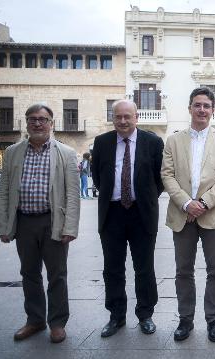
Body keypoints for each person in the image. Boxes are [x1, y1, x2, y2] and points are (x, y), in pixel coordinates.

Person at [0, 103, 80, 343]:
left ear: (51, 124)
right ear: (26, 122)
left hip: (52, 221)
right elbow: (4, 191)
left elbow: (72, 195)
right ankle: (34, 320)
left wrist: (70, 228)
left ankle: (57, 323)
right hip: (24, 223)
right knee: (29, 273)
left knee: (57, 275)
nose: (37, 123)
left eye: (43, 119)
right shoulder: (12, 152)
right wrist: (4, 226)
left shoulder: (65, 153)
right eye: (32, 119)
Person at [161, 87, 215, 342]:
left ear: (212, 110)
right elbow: (167, 175)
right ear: (190, 108)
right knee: (183, 271)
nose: (201, 109)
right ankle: (185, 320)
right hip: (182, 216)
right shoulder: (173, 140)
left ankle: (213, 320)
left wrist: (202, 204)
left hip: (212, 216)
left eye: (206, 105)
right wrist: (186, 203)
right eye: (197, 105)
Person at [91, 99, 164, 338]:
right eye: (118, 117)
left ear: (136, 117)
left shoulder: (152, 142)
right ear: (113, 118)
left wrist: (144, 197)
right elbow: (97, 176)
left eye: (127, 117)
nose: (123, 121)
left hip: (141, 213)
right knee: (112, 268)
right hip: (111, 213)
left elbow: (160, 178)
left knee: (144, 267)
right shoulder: (101, 142)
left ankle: (145, 315)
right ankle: (116, 316)